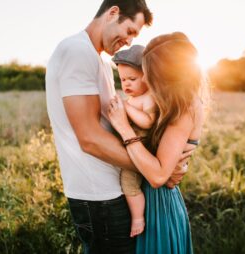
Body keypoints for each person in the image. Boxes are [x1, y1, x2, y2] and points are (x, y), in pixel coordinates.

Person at [46, 1, 191, 253]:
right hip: (99, 197)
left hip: (112, 191)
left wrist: (162, 163)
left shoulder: (99, 61)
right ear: (113, 13)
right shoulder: (76, 51)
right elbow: (89, 138)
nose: (129, 41)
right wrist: (158, 170)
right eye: (130, 31)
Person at [108, 32, 207, 254]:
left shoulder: (184, 107)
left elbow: (158, 176)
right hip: (153, 198)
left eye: (150, 74)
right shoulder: (170, 101)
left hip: (159, 204)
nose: (147, 80)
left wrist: (124, 128)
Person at [112, 45, 157, 237]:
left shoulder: (149, 98)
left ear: (147, 77)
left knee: (128, 184)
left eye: (132, 79)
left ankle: (138, 217)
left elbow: (147, 122)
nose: (126, 84)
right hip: (128, 148)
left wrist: (126, 107)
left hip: (140, 151)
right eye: (123, 80)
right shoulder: (133, 98)